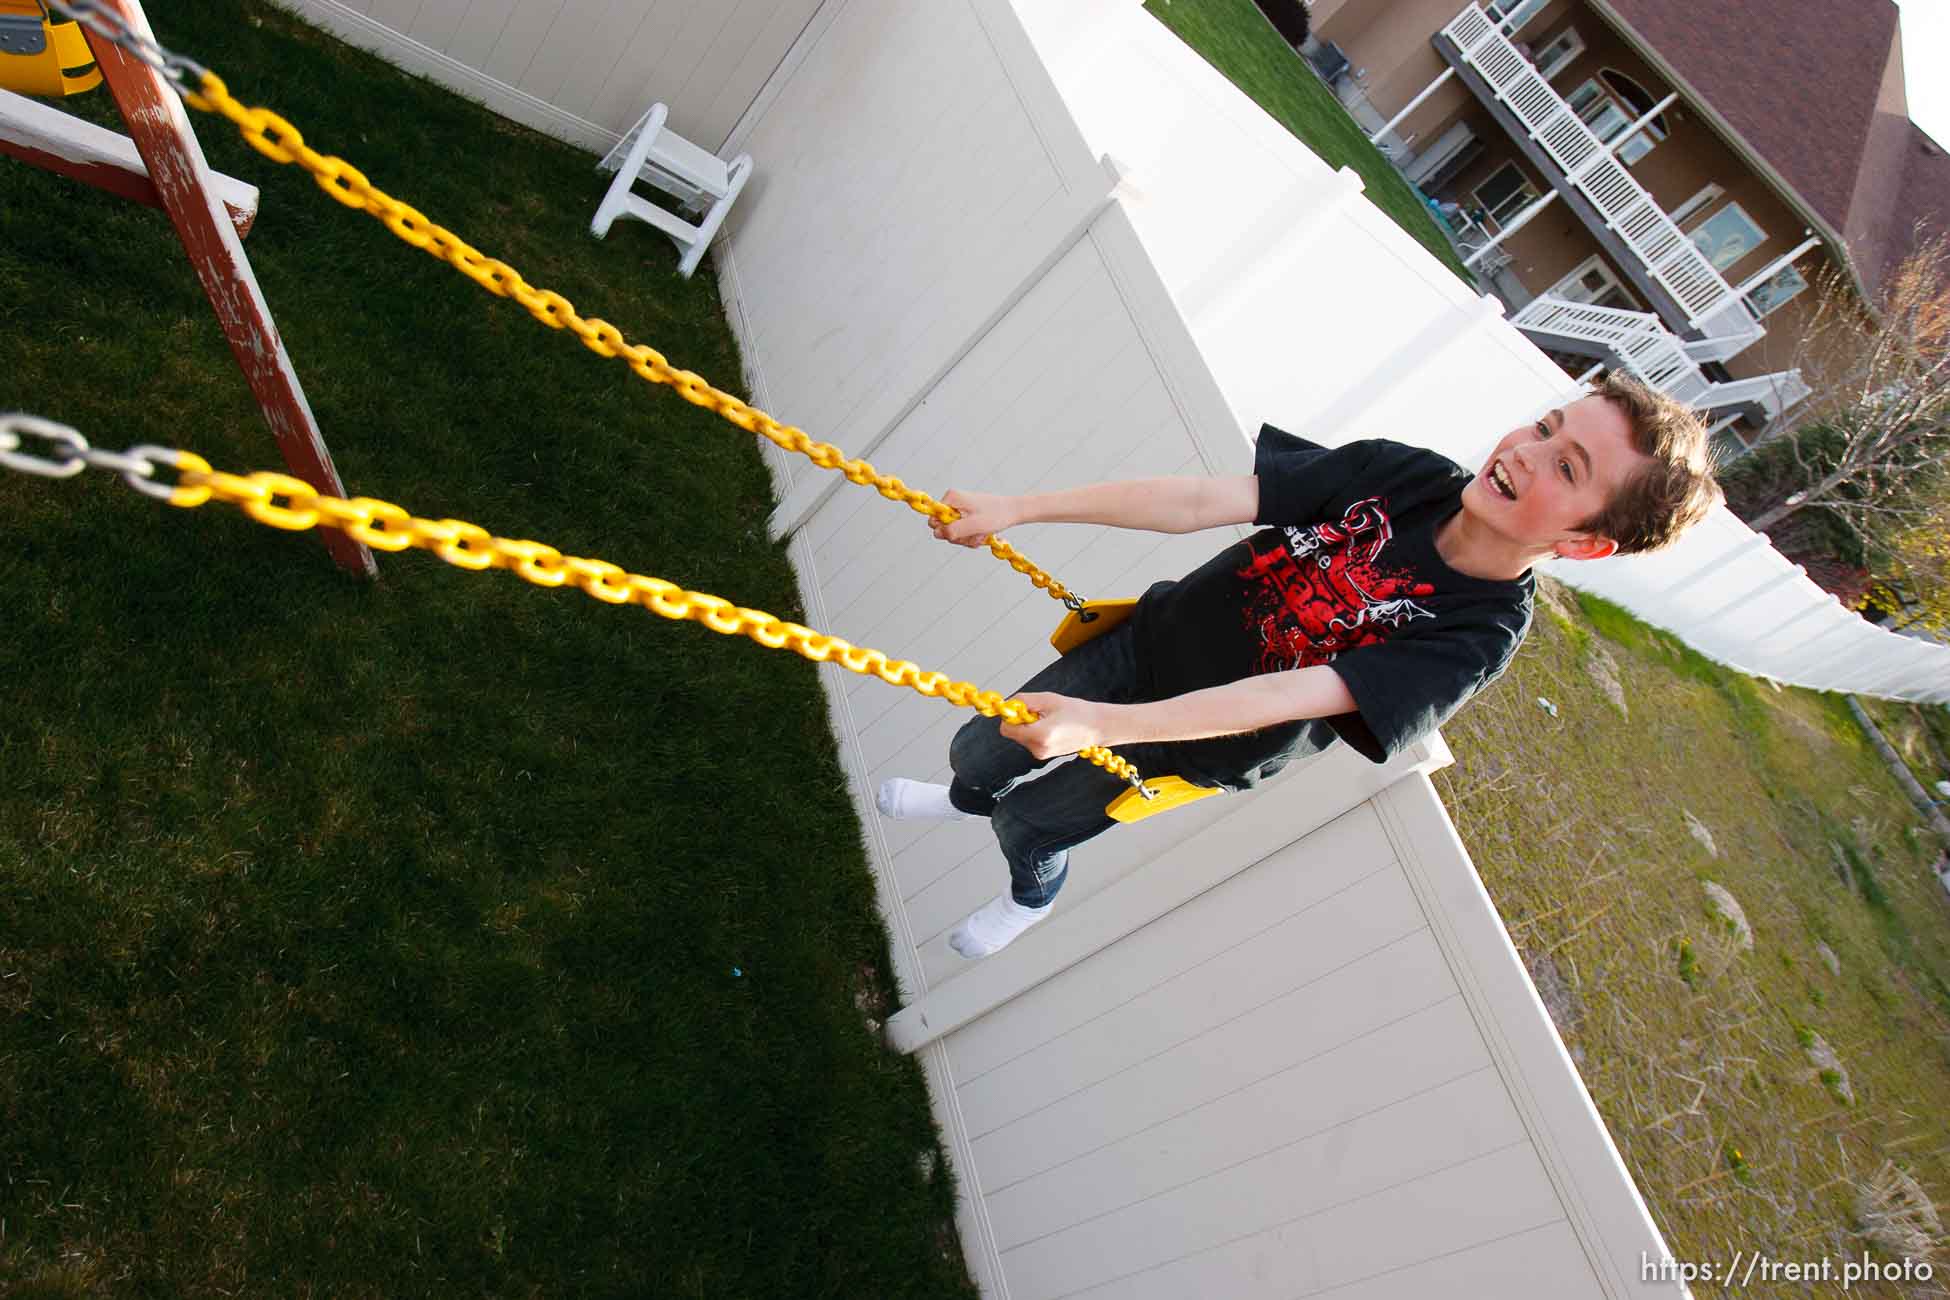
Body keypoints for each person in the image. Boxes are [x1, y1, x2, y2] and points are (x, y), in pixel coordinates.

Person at [877, 370, 1722, 958]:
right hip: (1143, 646)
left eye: (1566, 468)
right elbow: (1204, 500)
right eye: (1547, 427)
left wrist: (1102, 727)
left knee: (1031, 824)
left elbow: (1284, 696)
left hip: (1190, 744)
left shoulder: (1477, 635)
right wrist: (1021, 509)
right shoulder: (1404, 475)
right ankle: (961, 800)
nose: (1528, 452)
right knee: (978, 753)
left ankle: (1029, 895)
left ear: (1585, 542)